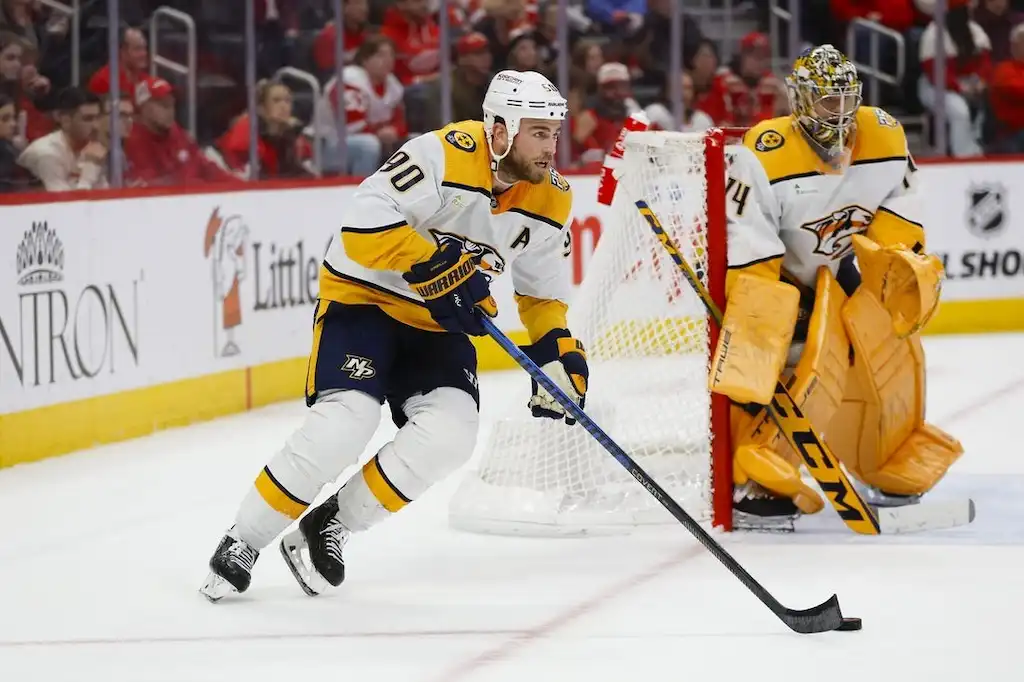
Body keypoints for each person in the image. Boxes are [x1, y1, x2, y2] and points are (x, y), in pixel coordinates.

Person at [200, 70, 588, 601]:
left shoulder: (551, 199)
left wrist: (557, 354)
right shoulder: (444, 154)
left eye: (554, 132)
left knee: (451, 434)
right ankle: (243, 539)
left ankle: (328, 525)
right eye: (538, 132)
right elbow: (362, 223)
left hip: (437, 324)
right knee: (345, 423)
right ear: (500, 129)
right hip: (365, 299)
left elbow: (542, 296)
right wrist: (429, 262)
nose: (551, 146)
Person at [710, 45, 963, 529]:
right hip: (777, 277)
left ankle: (887, 458)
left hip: (839, 267)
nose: (842, 114)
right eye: (829, 102)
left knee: (893, 352)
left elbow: (903, 198)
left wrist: (892, 259)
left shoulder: (884, 135)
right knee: (791, 366)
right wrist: (764, 315)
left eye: (848, 100)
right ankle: (759, 475)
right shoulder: (765, 152)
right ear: (801, 100)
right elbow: (750, 242)